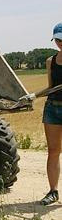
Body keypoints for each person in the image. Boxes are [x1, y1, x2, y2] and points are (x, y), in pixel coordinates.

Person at [38, 23, 62, 205]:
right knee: (53, 151)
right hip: (53, 108)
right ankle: (53, 192)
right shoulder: (50, 61)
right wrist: (34, 95)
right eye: (58, 39)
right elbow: (50, 87)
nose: (60, 43)